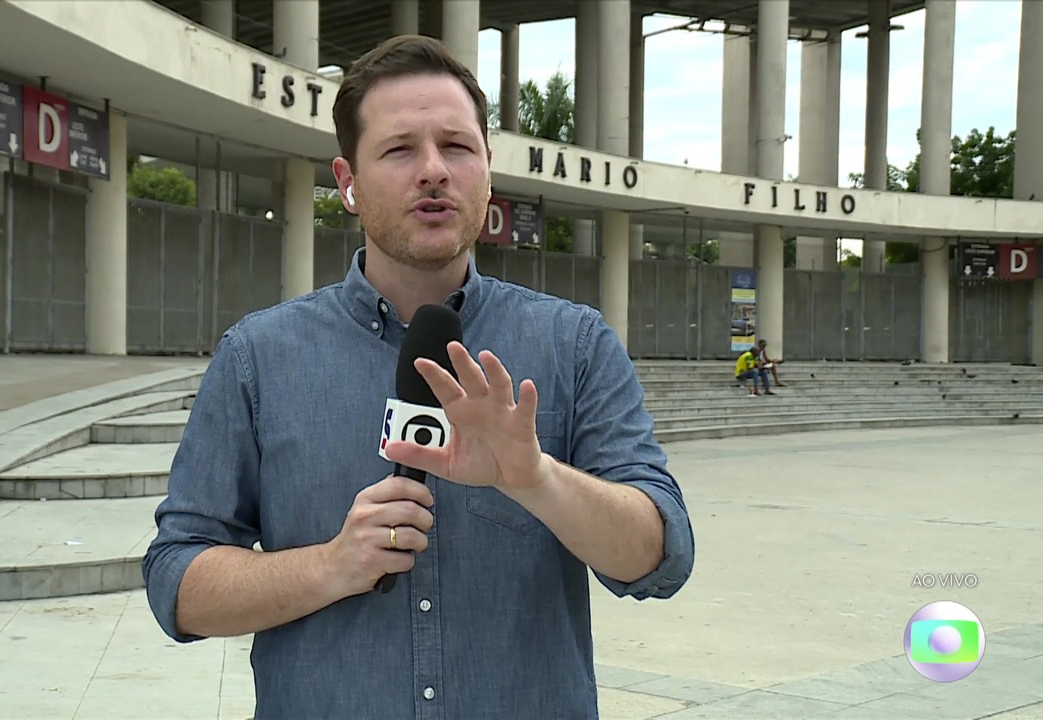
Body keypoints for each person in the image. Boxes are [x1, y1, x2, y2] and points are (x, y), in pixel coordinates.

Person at [142, 34, 694, 719]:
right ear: (346, 182)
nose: (433, 170)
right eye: (400, 149)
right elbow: (176, 584)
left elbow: (662, 556)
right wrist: (331, 565)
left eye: (457, 147)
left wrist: (536, 479)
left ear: (487, 171)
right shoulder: (258, 355)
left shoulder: (574, 344)